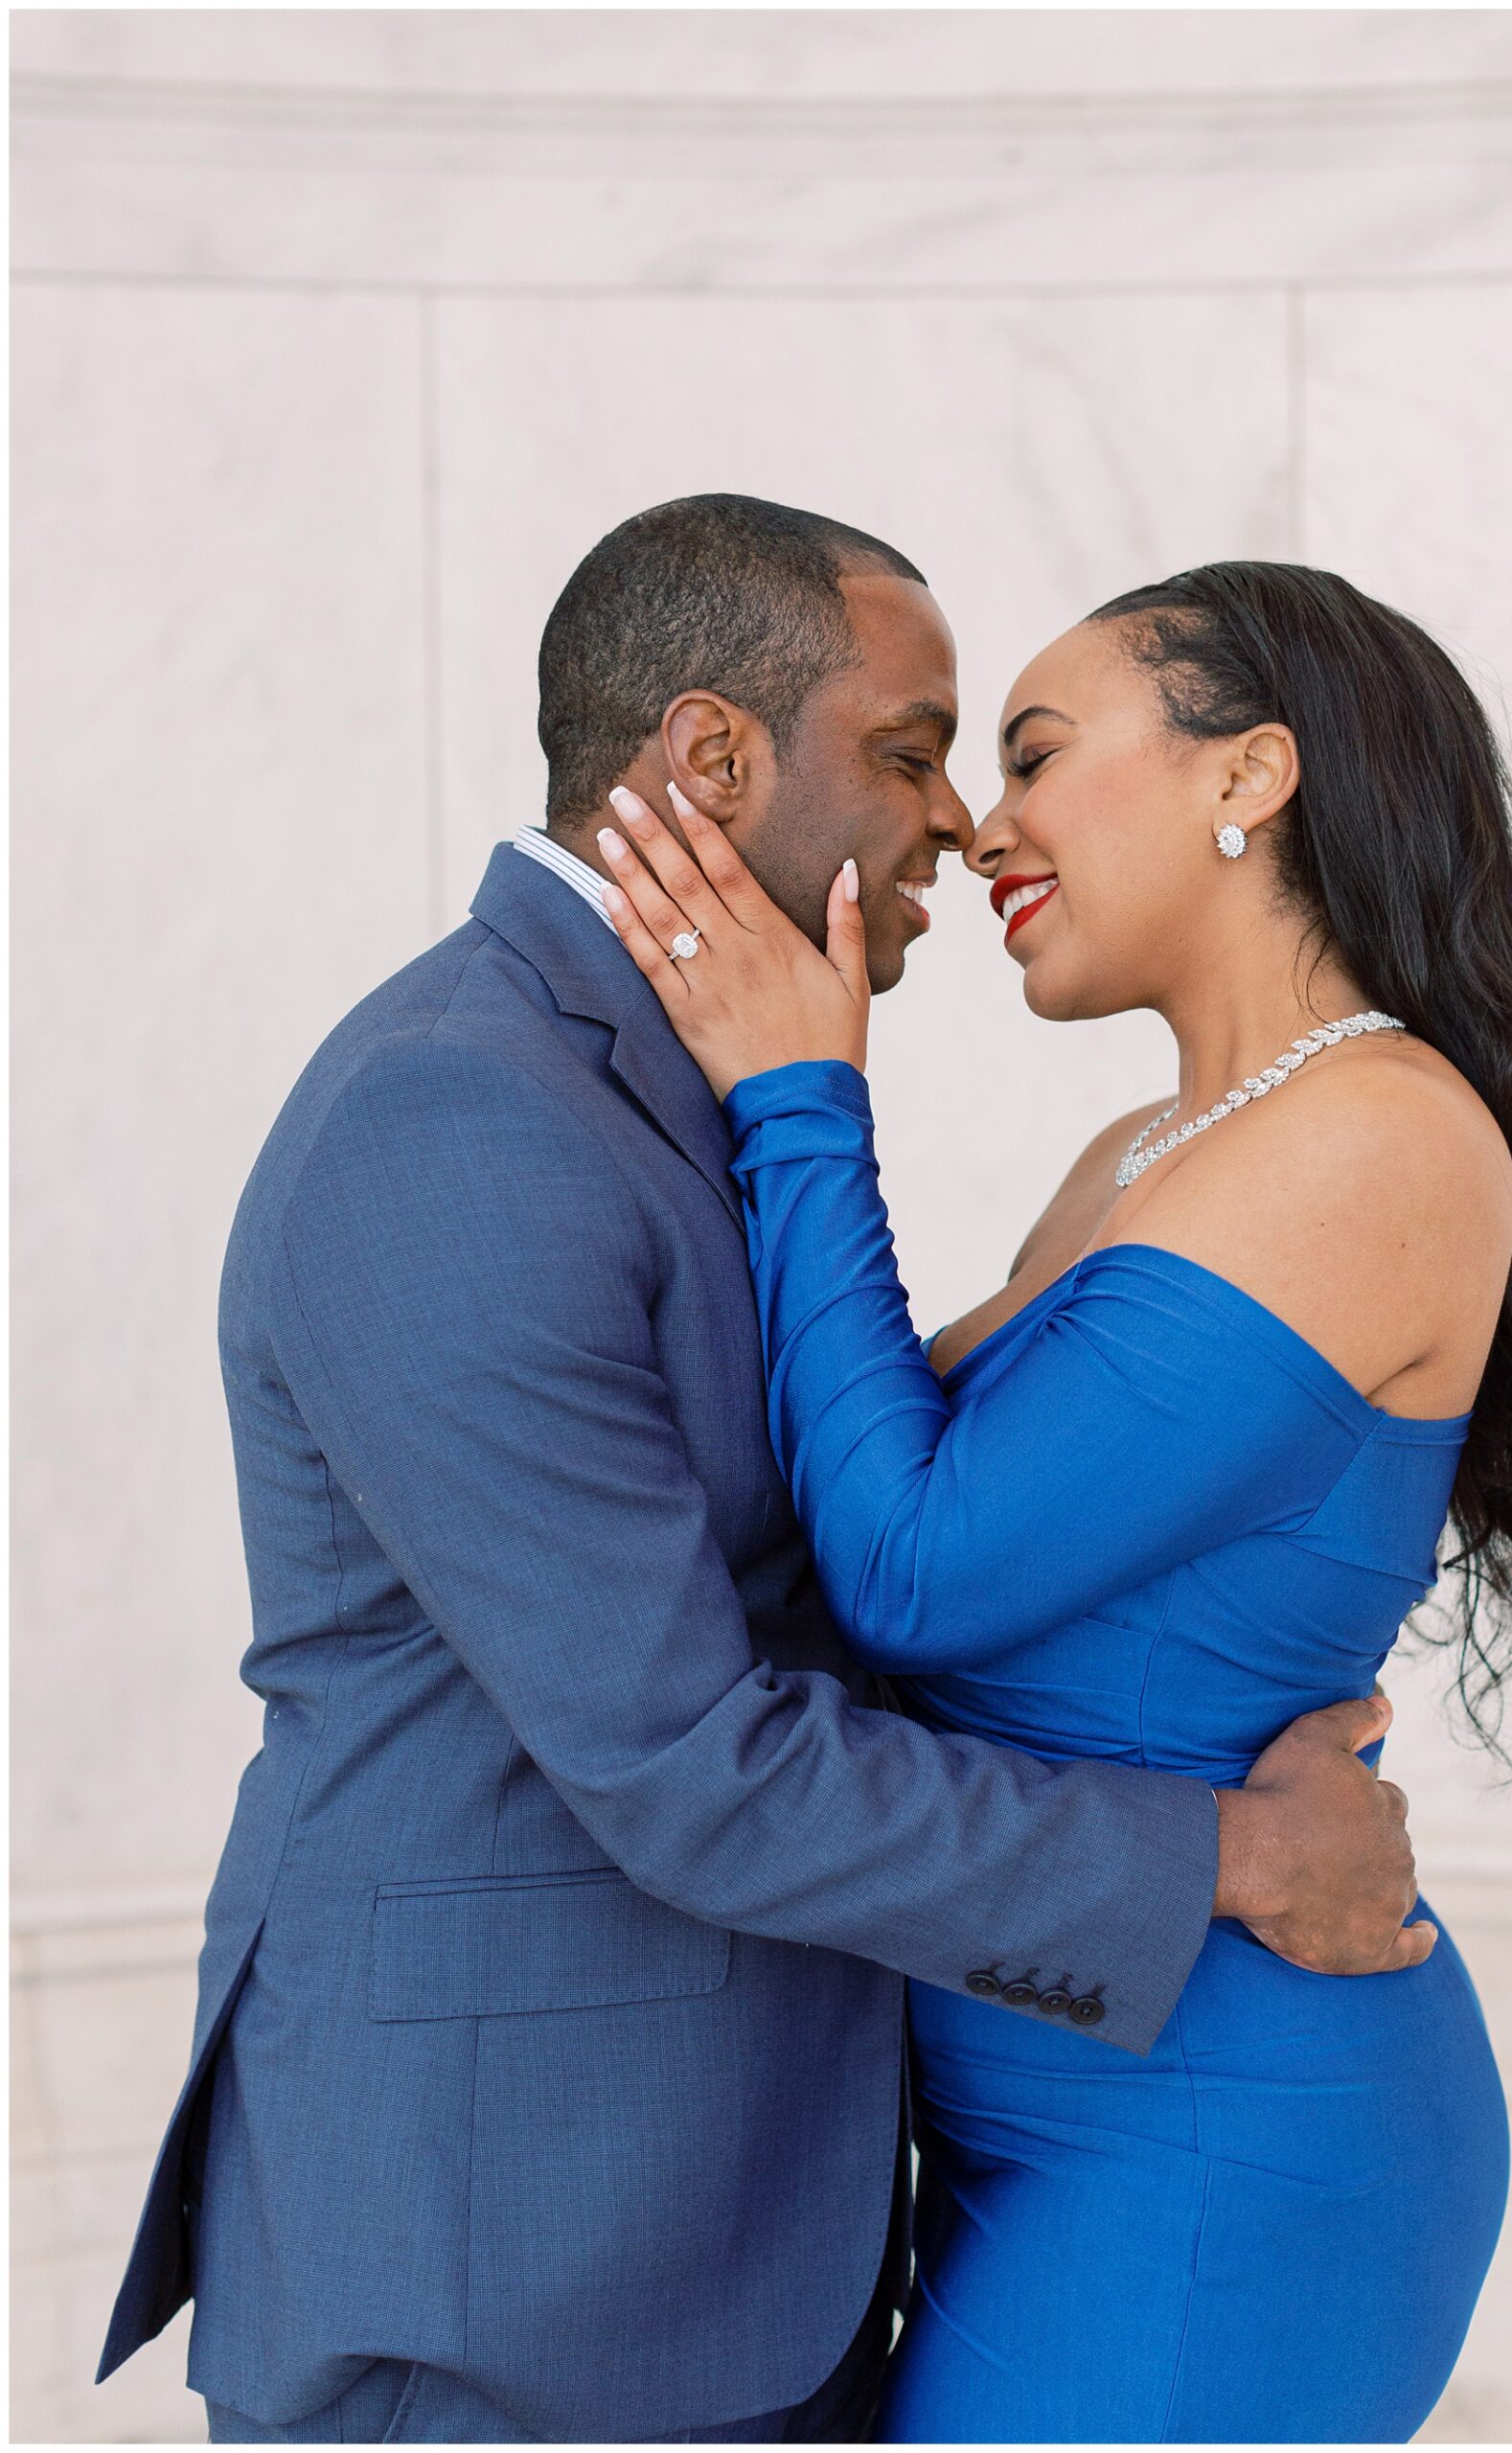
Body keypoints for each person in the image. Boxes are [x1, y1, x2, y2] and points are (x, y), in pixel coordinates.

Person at [98, 502, 1435, 2446]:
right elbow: (685, 1757)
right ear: (716, 759)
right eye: (913, 749)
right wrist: (1223, 1852)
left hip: (748, 2234)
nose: (965, 823)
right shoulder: (459, 1112)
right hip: (506, 2274)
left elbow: (875, 1555)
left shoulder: (702, 1086)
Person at [594, 554, 1512, 2442]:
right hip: (1033, 2093)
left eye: (1042, 752)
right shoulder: (1150, 1151)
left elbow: (912, 1564)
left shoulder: (1376, 1133)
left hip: (1215, 2138)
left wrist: (802, 1098)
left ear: (1249, 779)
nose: (984, 827)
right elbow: (871, 1497)